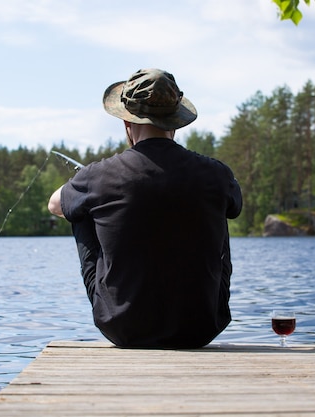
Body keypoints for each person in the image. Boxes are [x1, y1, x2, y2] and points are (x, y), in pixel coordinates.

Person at [48, 68, 242, 348]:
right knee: (218, 204)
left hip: (124, 327)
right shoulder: (217, 173)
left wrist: (87, 190)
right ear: (175, 123)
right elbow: (236, 207)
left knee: (78, 210)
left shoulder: (99, 175)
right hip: (202, 326)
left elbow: (55, 204)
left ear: (127, 123)